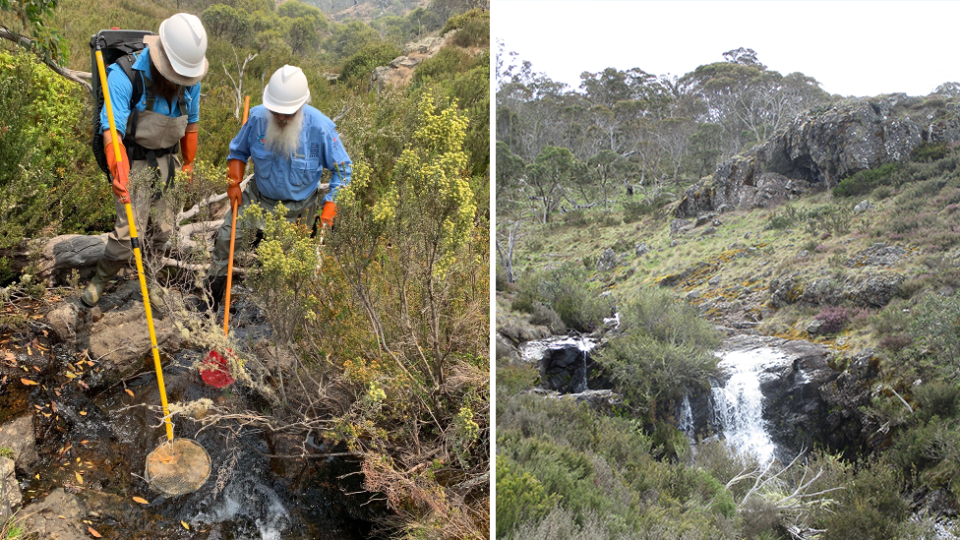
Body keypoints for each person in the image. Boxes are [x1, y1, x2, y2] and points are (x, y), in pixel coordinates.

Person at [82, 13, 209, 307]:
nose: (181, 82)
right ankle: (100, 280)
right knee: (127, 235)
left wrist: (188, 164)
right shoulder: (124, 75)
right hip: (133, 161)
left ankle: (150, 279)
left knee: (163, 231)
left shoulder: (190, 81)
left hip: (169, 163)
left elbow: (191, 124)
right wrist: (118, 171)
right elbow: (111, 131)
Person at [206, 65, 352, 309]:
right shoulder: (256, 118)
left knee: (290, 265)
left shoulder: (320, 128)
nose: (281, 118)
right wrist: (233, 183)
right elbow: (238, 152)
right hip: (257, 199)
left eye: (288, 114)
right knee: (225, 240)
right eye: (276, 112)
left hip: (299, 209)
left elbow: (343, 169)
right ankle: (211, 300)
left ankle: (281, 314)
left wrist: (330, 208)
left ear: (301, 106)